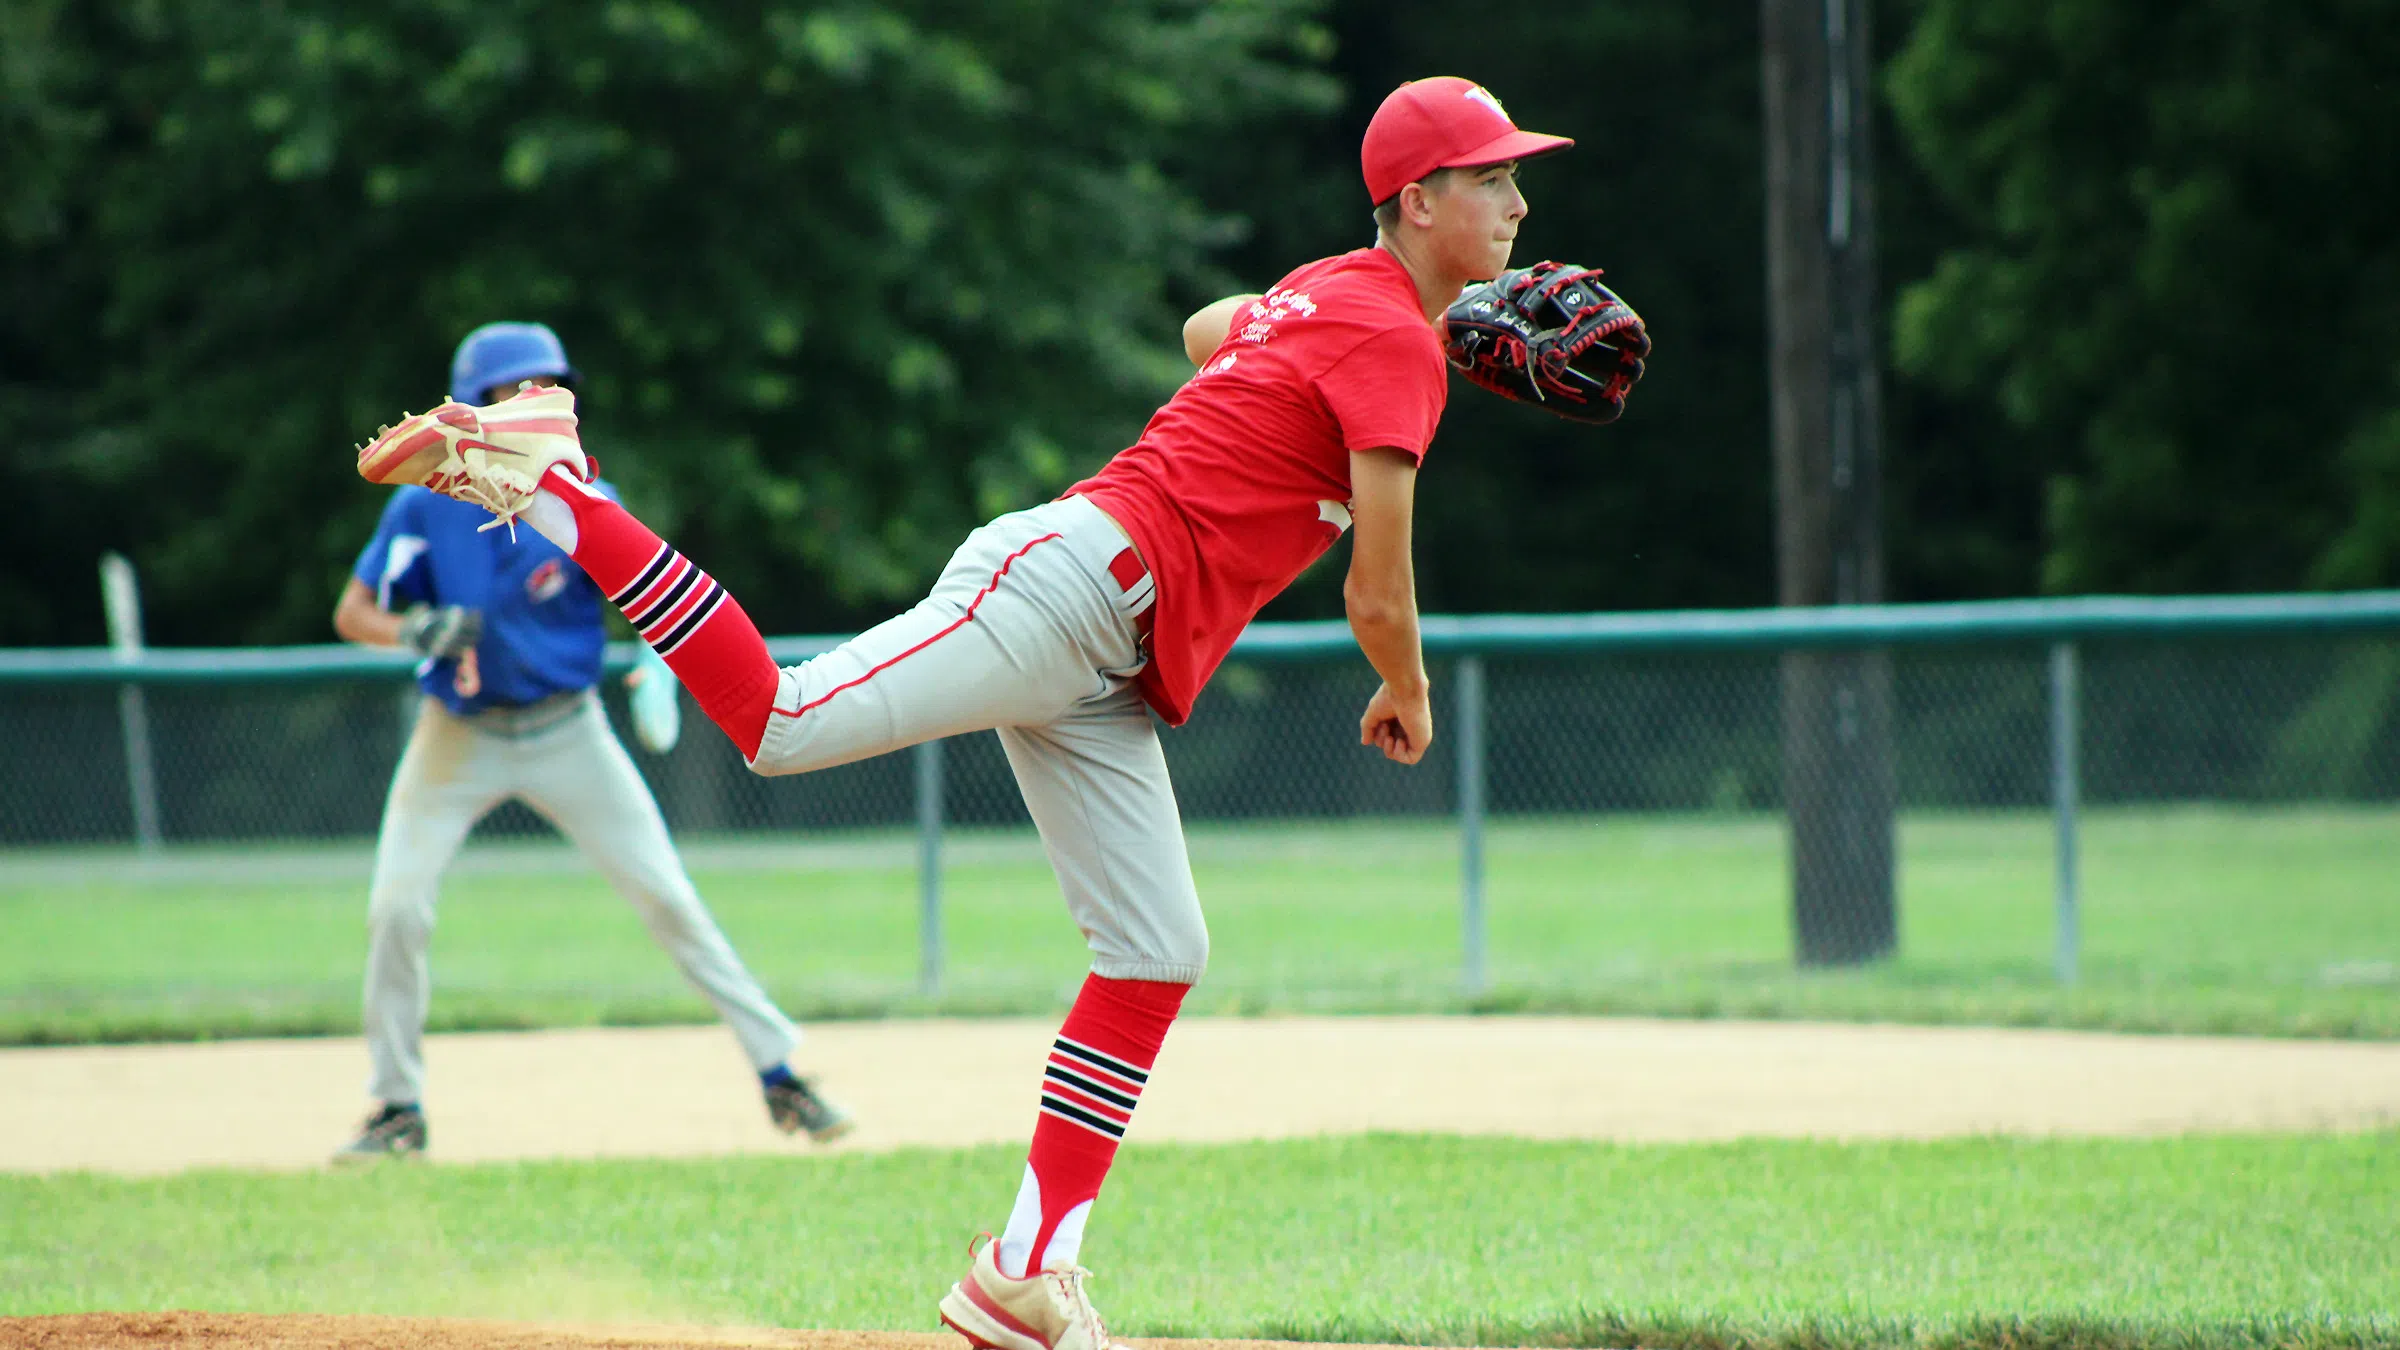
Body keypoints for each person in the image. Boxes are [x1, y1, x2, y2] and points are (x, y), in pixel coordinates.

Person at [356, 76, 1565, 1345]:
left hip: (1111, 659)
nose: (1520, 200)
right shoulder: (1389, 340)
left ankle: (1024, 1270)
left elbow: (1218, 328)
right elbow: (1379, 589)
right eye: (1492, 178)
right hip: (1067, 591)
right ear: (1419, 200)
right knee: (780, 724)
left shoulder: (1341, 297)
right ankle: (565, 484)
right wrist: (1407, 687)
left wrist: (1384, 317)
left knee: (1156, 950)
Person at [331, 321, 852, 1162]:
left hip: (569, 730)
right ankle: (397, 1109)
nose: (537, 400)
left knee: (668, 898)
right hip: (455, 736)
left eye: (547, 386)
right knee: (395, 908)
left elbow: (648, 595)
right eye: (517, 389)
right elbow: (353, 613)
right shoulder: (422, 503)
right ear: (478, 405)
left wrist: (656, 668)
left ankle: (782, 1072)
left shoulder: (576, 499)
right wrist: (415, 628)